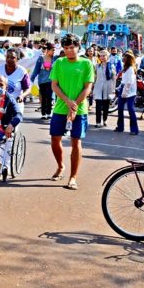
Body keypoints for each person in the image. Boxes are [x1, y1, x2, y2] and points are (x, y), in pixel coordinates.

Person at [49, 33, 95, 191]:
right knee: (55, 139)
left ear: (78, 47)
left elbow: (88, 87)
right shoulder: (59, 63)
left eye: (72, 47)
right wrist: (67, 101)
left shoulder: (86, 63)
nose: (69, 50)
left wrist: (74, 106)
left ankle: (73, 177)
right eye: (66, 48)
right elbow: (54, 85)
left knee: (76, 142)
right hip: (60, 108)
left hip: (80, 110)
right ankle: (60, 166)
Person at [0, 75, 23, 176]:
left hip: (0, 128)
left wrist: (11, 125)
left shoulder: (10, 100)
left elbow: (18, 115)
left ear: (6, 87)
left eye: (1, 85)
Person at [115, 51, 140, 135]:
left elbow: (129, 82)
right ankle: (120, 127)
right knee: (120, 109)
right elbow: (123, 80)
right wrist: (118, 88)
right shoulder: (125, 67)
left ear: (128, 59)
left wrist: (125, 92)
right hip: (123, 88)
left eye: (124, 57)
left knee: (130, 109)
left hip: (130, 92)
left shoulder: (130, 69)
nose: (122, 58)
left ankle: (134, 130)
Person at [30, 42, 55, 120]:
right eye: (52, 50)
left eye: (54, 50)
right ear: (48, 50)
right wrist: (31, 80)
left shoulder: (55, 59)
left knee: (50, 97)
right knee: (44, 97)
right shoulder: (41, 58)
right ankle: (43, 113)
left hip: (51, 81)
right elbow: (36, 70)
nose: (53, 52)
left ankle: (49, 113)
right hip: (42, 81)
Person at [93, 49, 116, 128]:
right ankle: (98, 122)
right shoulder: (97, 66)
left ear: (107, 56)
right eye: (101, 56)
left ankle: (105, 120)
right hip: (98, 88)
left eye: (104, 56)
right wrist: (92, 87)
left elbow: (114, 79)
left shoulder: (111, 66)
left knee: (106, 106)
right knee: (98, 106)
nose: (102, 57)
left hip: (108, 88)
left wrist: (113, 89)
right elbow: (94, 77)